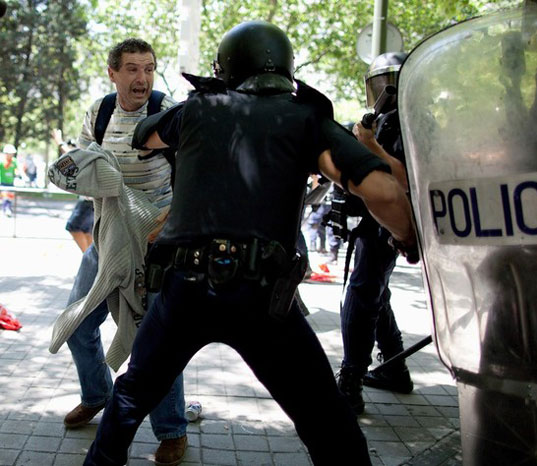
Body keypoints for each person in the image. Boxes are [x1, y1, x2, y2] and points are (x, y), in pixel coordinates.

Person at [83, 20, 416, 466]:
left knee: (129, 400)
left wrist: (197, 113)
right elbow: (384, 193)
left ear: (226, 69)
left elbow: (145, 137)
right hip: (262, 301)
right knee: (328, 422)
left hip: (184, 291)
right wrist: (406, 237)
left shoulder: (198, 109)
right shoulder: (306, 119)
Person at [60, 38, 188, 465]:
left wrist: (167, 219)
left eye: (148, 68)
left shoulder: (167, 112)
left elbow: (192, 174)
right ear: (112, 73)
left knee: (158, 339)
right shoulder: (98, 113)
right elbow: (84, 166)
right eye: (132, 69)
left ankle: (171, 430)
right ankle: (98, 395)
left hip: (157, 243)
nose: (141, 78)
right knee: (78, 323)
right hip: (109, 236)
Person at [336, 52, 415, 415]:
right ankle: (395, 366)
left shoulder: (411, 122)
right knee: (373, 291)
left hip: (389, 223)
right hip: (370, 220)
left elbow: (405, 177)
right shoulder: (383, 120)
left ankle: (350, 381)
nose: (383, 90)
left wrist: (370, 145)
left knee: (362, 293)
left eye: (389, 83)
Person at [51, 129, 94, 253]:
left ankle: (88, 258)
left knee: (73, 226)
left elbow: (71, 156)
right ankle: (90, 260)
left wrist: (59, 142)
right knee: (87, 232)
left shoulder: (89, 153)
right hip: (90, 200)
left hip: (88, 201)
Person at [0, 144, 18, 217]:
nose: (12, 155)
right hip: (3, 182)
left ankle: (8, 209)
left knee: (10, 197)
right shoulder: (1, 161)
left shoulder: (14, 161)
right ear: (6, 153)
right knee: (5, 197)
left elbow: (16, 169)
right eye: (10, 153)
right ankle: (6, 209)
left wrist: (18, 175)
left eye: (12, 153)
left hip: (11, 182)